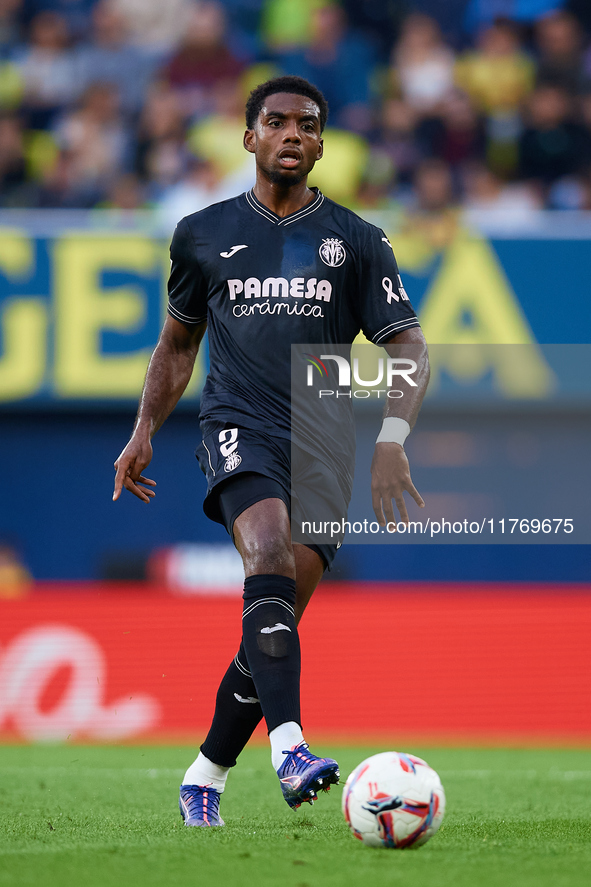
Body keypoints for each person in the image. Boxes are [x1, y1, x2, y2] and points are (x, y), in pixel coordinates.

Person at [113, 75, 429, 827]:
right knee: (265, 556)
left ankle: (205, 772)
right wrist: (144, 426)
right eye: (277, 121)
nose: (292, 133)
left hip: (322, 425)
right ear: (248, 136)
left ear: (321, 145)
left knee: (274, 618)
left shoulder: (356, 240)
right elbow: (177, 341)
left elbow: (407, 343)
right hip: (238, 417)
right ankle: (290, 746)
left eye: (307, 125)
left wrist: (392, 437)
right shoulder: (200, 231)